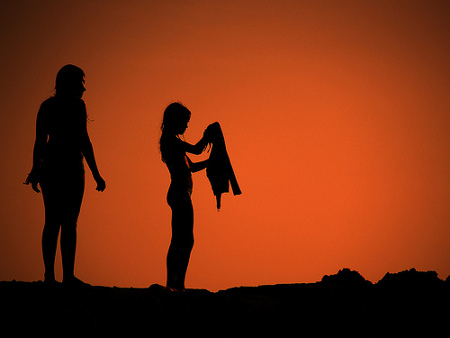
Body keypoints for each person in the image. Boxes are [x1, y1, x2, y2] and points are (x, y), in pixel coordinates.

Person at [24, 64, 106, 286]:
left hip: (64, 168)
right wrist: (35, 169)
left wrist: (36, 169)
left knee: (61, 222)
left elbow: (44, 141)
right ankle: (55, 275)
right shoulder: (70, 107)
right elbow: (79, 140)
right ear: (69, 83)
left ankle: (59, 275)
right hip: (63, 168)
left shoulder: (54, 106)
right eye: (80, 82)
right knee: (61, 222)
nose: (83, 88)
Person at [159, 102, 211, 291]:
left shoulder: (174, 142)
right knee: (183, 239)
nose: (187, 126)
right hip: (180, 193)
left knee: (183, 239)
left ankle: (176, 282)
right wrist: (207, 136)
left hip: (182, 193)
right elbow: (197, 149)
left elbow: (193, 167)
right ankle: (175, 283)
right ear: (176, 120)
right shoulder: (171, 140)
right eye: (185, 122)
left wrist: (211, 161)